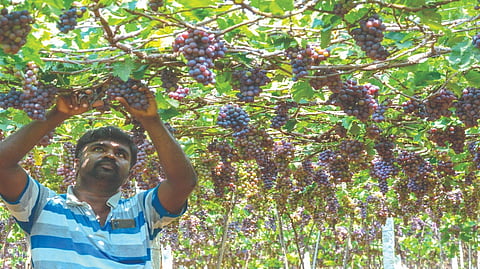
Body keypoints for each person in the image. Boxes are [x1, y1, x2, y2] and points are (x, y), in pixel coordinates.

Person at [0, 92, 198, 268]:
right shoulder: (42, 205)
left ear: (130, 172)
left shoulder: (142, 210)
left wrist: (152, 121)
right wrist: (57, 114)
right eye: (99, 149)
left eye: (121, 154)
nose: (111, 155)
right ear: (77, 162)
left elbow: (183, 183)